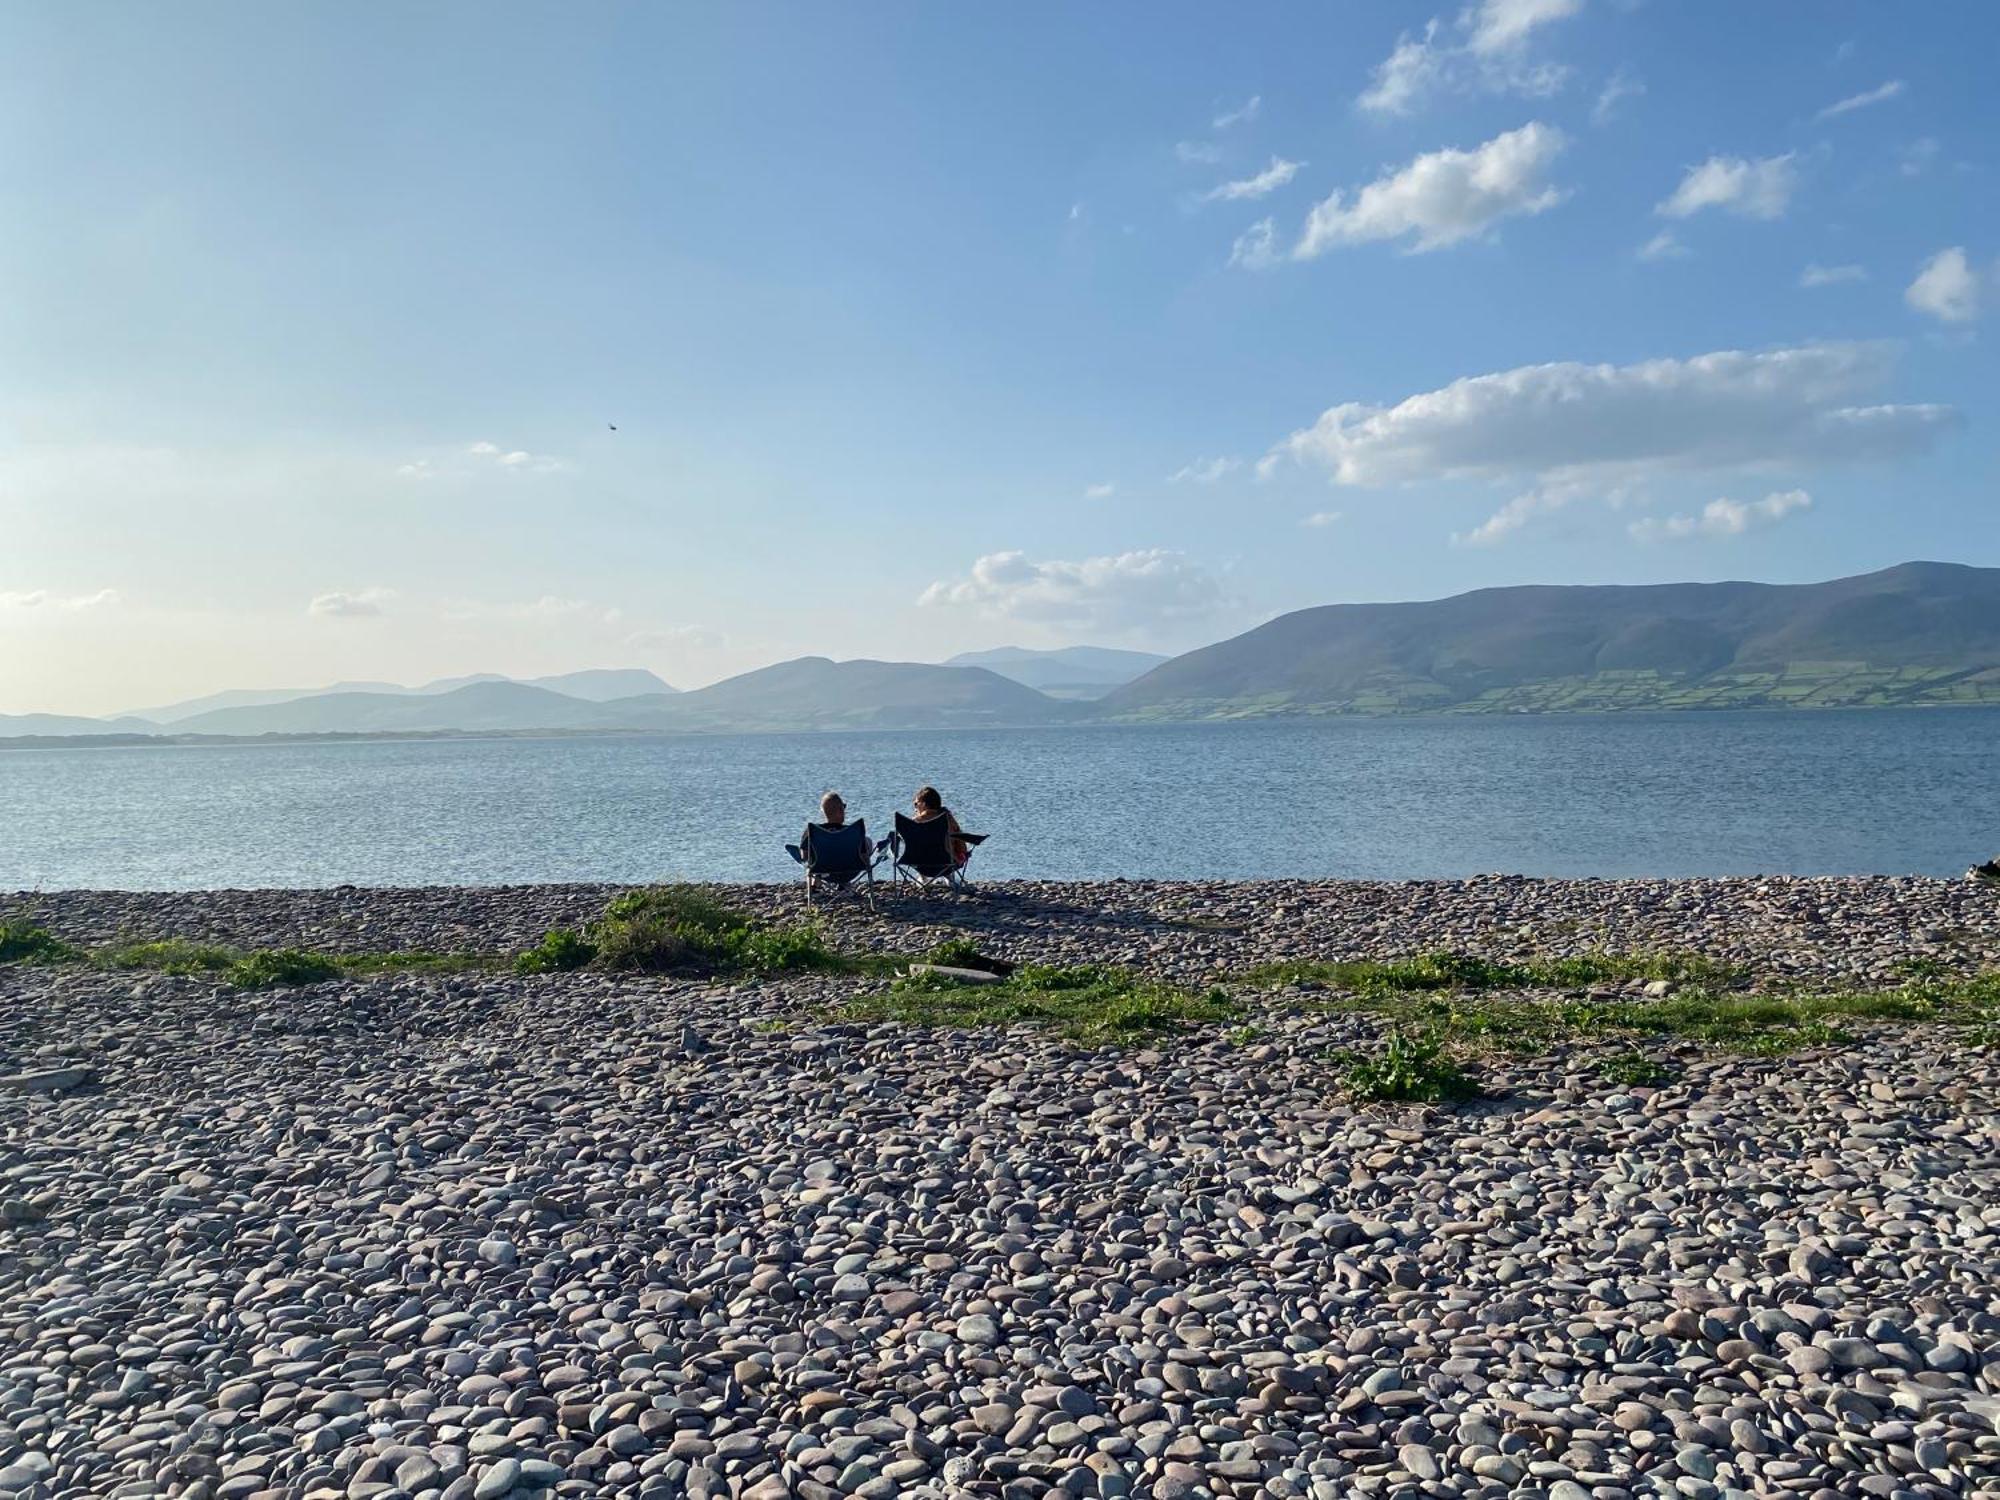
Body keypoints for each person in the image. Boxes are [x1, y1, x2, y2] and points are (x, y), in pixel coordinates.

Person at [909, 785, 969, 867]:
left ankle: (923, 879)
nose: (915, 808)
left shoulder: (914, 822)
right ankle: (949, 877)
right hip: (949, 862)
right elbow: (960, 842)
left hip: (921, 863)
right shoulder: (948, 818)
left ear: (924, 804)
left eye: (916, 804)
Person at [805, 791, 872, 861]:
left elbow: (804, 856)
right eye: (844, 807)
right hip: (851, 865)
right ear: (840, 810)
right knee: (868, 840)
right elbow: (864, 854)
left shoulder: (812, 831)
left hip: (820, 867)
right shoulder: (853, 831)